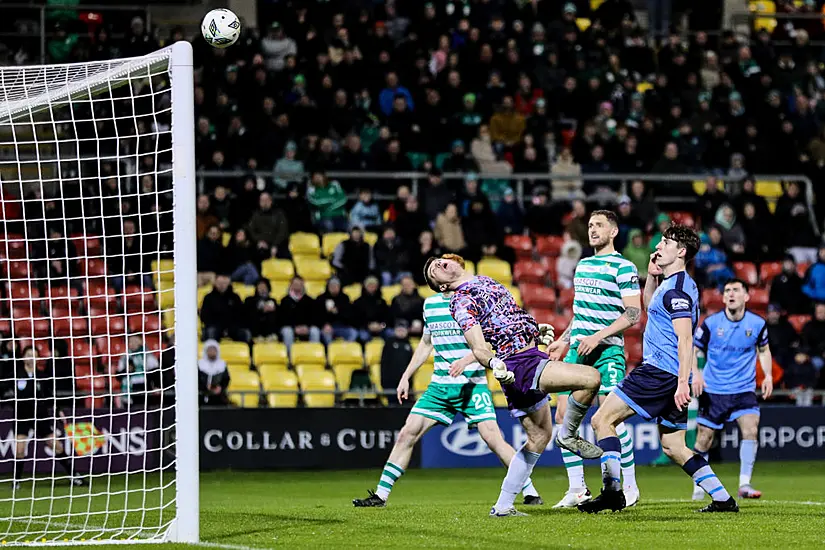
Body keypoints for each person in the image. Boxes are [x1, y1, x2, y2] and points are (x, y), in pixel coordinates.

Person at [423, 254, 601, 517]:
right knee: (591, 378)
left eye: (439, 260)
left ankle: (504, 506)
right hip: (519, 364)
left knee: (538, 437)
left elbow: (507, 317)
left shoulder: (486, 281)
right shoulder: (461, 301)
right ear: (441, 286)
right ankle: (569, 435)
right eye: (433, 270)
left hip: (529, 354)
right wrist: (494, 363)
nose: (438, 264)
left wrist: (534, 330)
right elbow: (479, 346)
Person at [583, 225, 739, 514]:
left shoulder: (678, 290)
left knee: (602, 420)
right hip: (669, 374)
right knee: (674, 447)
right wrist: (652, 278)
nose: (658, 246)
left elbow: (686, 337)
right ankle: (723, 500)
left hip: (659, 372)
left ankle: (612, 492)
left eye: (666, 243)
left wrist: (682, 383)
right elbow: (649, 306)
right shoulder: (673, 285)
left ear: (681, 252)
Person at [353, 290, 544, 508]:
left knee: (493, 439)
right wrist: (406, 376)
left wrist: (465, 360)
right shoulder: (430, 305)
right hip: (440, 386)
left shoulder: (473, 302)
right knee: (407, 433)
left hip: (472, 385)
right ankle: (380, 495)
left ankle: (530, 491)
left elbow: (488, 344)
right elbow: (426, 344)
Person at [546, 211, 642, 509]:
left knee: (608, 416)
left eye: (599, 225)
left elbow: (633, 313)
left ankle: (628, 484)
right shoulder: (583, 265)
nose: (593, 229)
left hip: (608, 350)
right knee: (563, 417)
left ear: (613, 231)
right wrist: (563, 340)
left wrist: (598, 336)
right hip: (578, 350)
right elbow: (581, 313)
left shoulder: (624, 267)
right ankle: (577, 488)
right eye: (589, 225)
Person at [691, 278, 773, 501]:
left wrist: (768, 376)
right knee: (703, 440)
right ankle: (700, 485)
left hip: (743, 389)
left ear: (746, 296)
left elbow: (764, 351)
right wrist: (696, 374)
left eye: (736, 290)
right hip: (714, 390)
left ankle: (744, 484)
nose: (730, 294)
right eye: (727, 290)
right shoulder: (710, 323)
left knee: (751, 429)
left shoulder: (757, 324)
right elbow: (694, 350)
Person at [13, 346, 85, 490]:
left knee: (57, 446)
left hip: (40, 416)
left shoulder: (42, 376)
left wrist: (58, 411)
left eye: (34, 355)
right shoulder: (16, 375)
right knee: (20, 449)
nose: (31, 358)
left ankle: (74, 475)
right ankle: (16, 481)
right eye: (28, 355)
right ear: (23, 357)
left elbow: (50, 396)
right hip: (22, 416)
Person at [198, 339, 231, 405]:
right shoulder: (200, 364)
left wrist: (220, 388)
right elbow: (197, 380)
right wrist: (205, 387)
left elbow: (226, 379)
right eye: (210, 350)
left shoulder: (222, 364)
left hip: (219, 397)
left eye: (214, 349)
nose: (212, 352)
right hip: (202, 397)